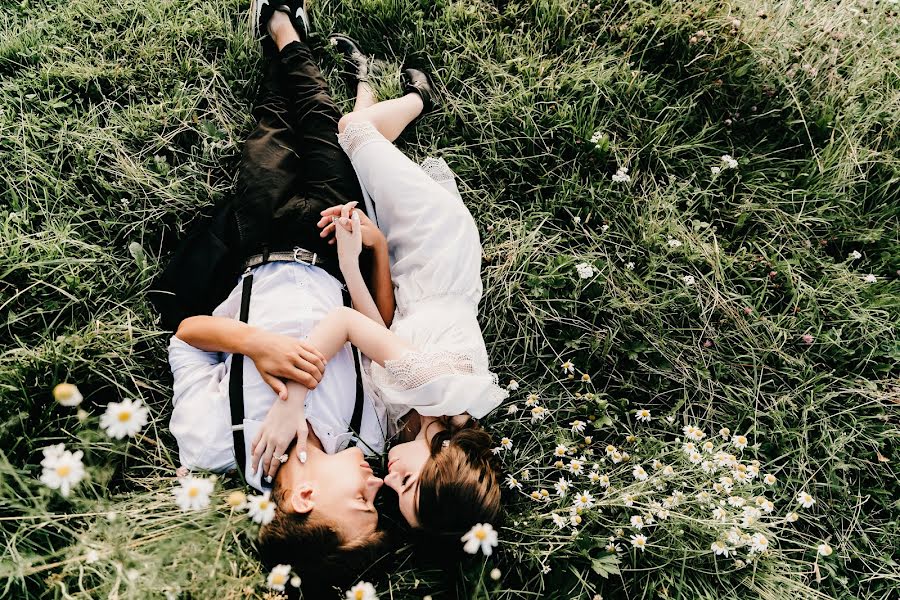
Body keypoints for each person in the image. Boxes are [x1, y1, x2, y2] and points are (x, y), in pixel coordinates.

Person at [157, 1, 428, 589]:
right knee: (322, 126)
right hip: (335, 241)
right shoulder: (368, 434)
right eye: (382, 496)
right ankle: (283, 28)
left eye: (362, 503)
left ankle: (280, 28)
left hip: (256, 240)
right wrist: (372, 246)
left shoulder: (211, 442)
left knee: (272, 126)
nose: (376, 484)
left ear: (304, 497)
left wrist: (254, 342)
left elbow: (186, 337)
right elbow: (375, 323)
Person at [251, 57, 509, 543]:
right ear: (445, 462)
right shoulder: (437, 387)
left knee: (352, 165)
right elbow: (348, 323)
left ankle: (368, 96)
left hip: (399, 269)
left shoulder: (406, 430)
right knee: (352, 132)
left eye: (395, 493)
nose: (387, 479)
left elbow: (381, 331)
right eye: (406, 482)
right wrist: (293, 403)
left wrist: (358, 260)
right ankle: (416, 100)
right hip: (433, 248)